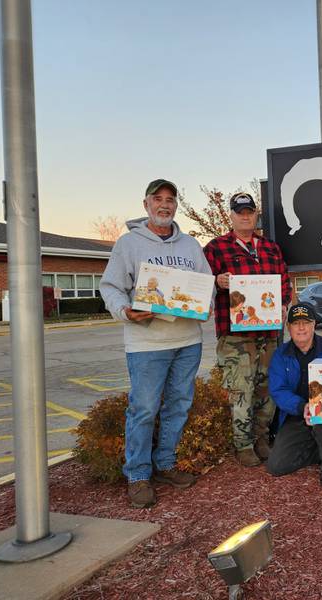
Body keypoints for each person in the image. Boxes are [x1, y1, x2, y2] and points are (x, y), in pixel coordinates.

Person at [100, 178, 213, 508]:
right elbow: (111, 287)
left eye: (170, 199)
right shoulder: (129, 244)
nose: (165, 205)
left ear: (176, 205)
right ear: (146, 204)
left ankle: (164, 464)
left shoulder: (191, 246)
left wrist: (204, 307)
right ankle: (137, 474)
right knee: (144, 409)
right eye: (158, 199)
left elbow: (206, 287)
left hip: (187, 341)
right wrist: (124, 311)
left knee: (178, 406)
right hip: (147, 344)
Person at [204, 192, 292, 467]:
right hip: (235, 337)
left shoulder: (271, 249)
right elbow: (198, 286)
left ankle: (261, 438)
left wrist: (283, 306)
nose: (245, 216)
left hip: (268, 333)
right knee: (241, 391)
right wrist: (216, 282)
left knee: (267, 390)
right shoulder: (215, 248)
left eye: (249, 211)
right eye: (239, 211)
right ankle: (242, 445)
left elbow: (284, 286)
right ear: (230, 215)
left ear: (256, 215)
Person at [266, 303, 322, 486]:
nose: (301, 328)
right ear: (288, 327)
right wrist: (302, 407)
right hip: (296, 414)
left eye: (306, 322)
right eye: (296, 323)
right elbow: (278, 390)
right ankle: (321, 448)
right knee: (276, 466)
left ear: (314, 324)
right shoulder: (280, 355)